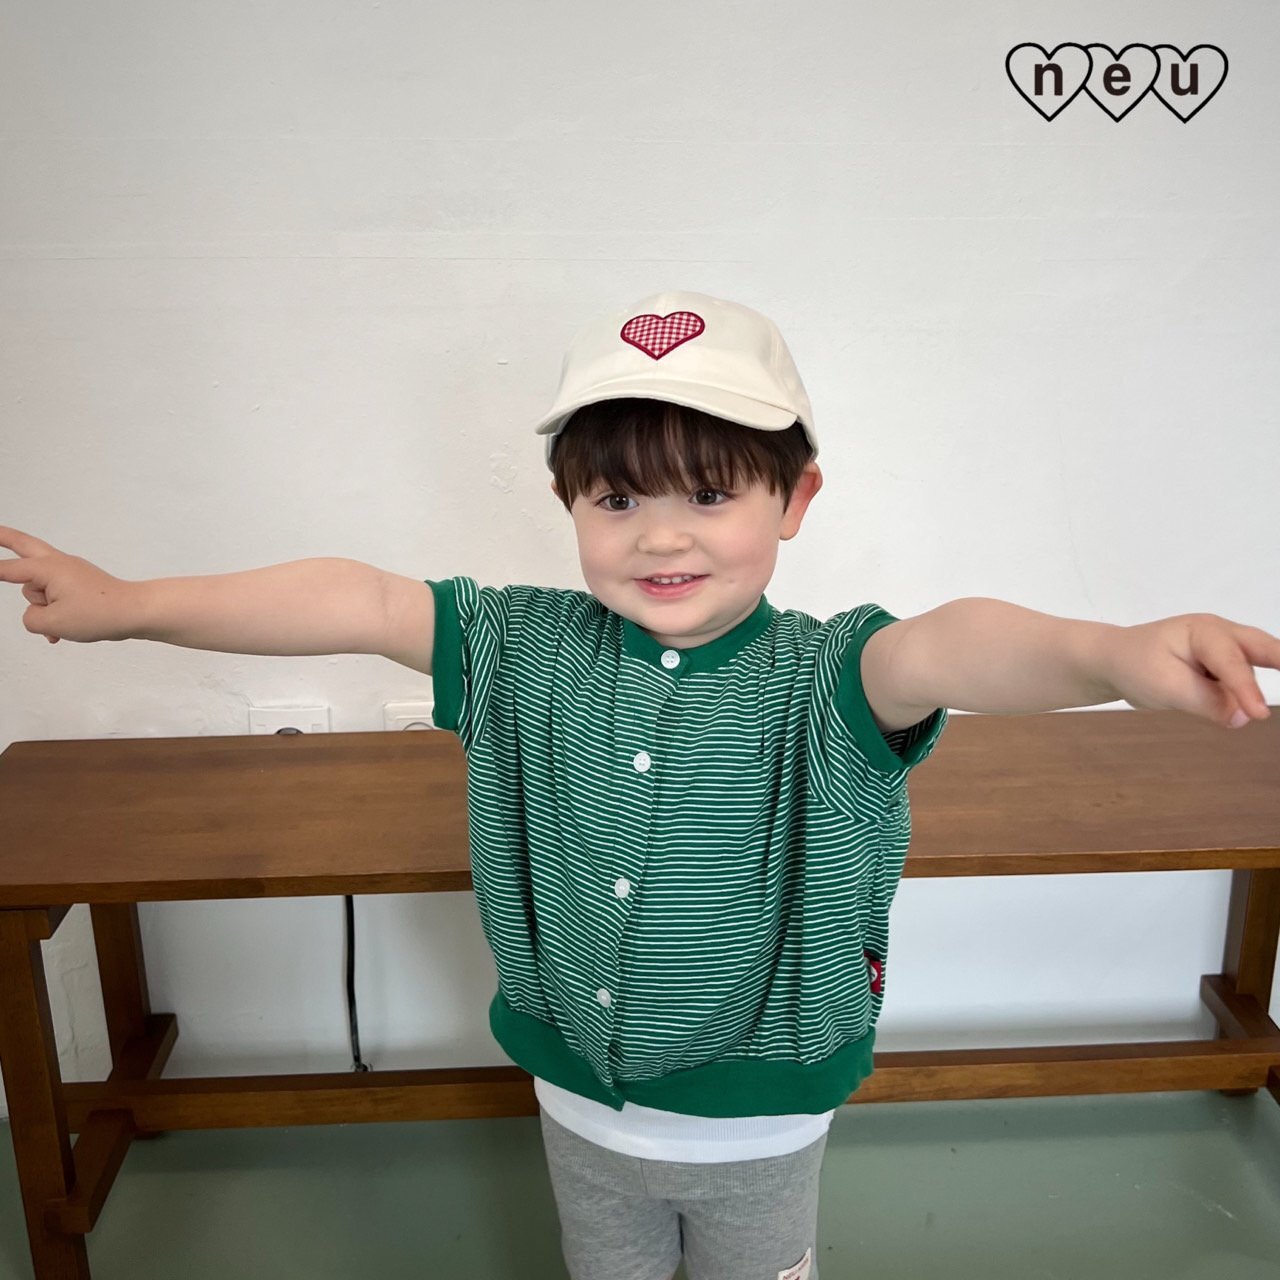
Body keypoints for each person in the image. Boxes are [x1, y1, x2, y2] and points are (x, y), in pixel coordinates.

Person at [1, 290, 1276, 1280]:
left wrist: (1111, 653)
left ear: (795, 498)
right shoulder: (518, 644)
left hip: (760, 1118)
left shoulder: (829, 675)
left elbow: (953, 643)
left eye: (709, 493)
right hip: (573, 1097)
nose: (660, 533)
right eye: (616, 497)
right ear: (569, 502)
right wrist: (129, 604)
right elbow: (358, 598)